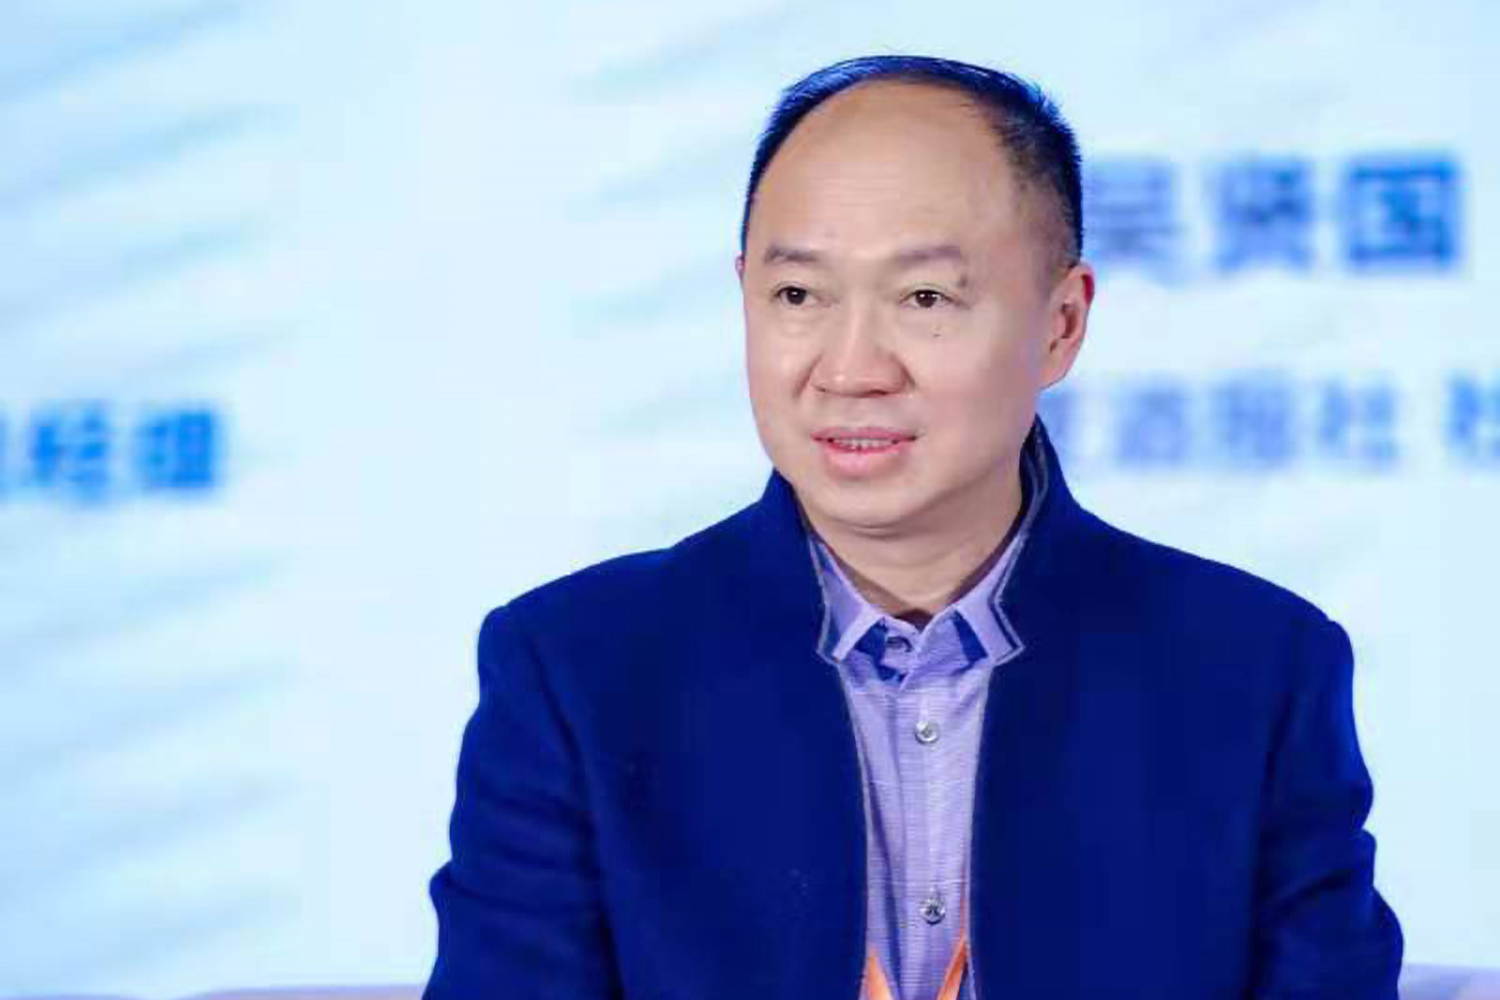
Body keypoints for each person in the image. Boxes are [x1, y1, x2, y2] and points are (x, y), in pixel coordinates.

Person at [423, 54, 1403, 1000]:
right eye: (797, 295)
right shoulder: (577, 668)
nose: (850, 369)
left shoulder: (1255, 667)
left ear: (1061, 323)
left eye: (924, 297)